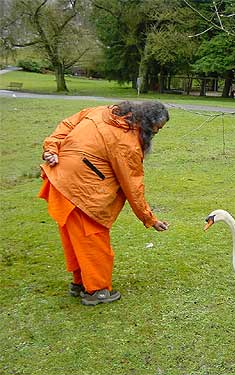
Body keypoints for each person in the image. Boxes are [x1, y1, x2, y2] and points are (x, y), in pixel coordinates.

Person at [38, 101, 170, 306]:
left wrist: (51, 149)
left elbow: (66, 125)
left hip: (60, 179)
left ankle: (80, 283)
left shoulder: (100, 111)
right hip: (82, 192)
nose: (156, 134)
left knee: (75, 239)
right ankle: (97, 290)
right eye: (157, 129)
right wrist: (149, 218)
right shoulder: (127, 143)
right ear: (146, 123)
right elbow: (133, 186)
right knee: (93, 239)